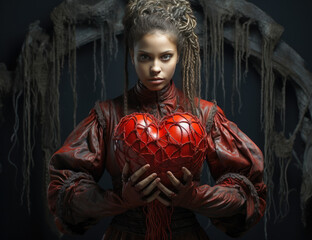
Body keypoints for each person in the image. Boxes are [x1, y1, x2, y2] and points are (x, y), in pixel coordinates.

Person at [47, 0, 266, 239]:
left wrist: (195, 197)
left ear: (178, 56)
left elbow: (246, 192)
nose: (155, 68)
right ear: (132, 56)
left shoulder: (204, 114)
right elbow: (65, 191)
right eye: (145, 57)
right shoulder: (107, 114)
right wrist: (120, 200)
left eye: (165, 57)